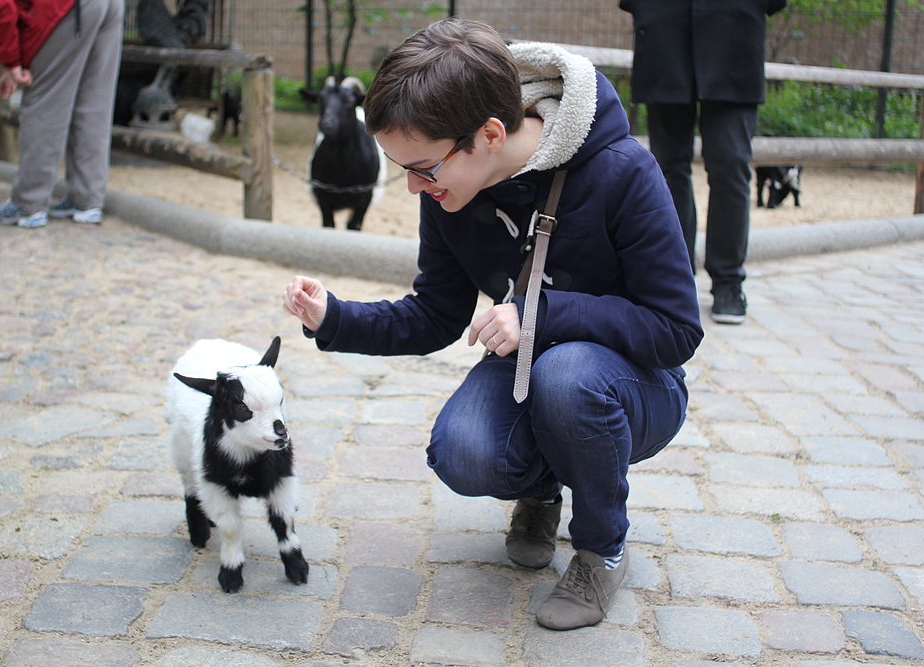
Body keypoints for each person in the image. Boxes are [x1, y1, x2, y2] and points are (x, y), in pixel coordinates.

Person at [282, 19, 702, 630]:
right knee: (462, 451)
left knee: (568, 376)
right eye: (402, 168)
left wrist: (543, 314)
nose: (412, 187)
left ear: (489, 134)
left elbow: (676, 329)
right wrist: (333, 317)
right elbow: (434, 315)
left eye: (423, 168)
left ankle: (601, 549)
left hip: (633, 385)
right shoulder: (451, 191)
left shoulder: (622, 171)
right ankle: (542, 489)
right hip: (532, 366)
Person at [620, 0, 787, 324]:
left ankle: (728, 282)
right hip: (664, 34)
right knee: (666, 171)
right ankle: (672, 281)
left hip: (734, 38)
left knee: (730, 166)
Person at [0, 0, 124, 227]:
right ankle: (87, 199)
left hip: (65, 7)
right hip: (108, 5)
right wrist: (12, 62)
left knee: (45, 103)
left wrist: (11, 60)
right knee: (94, 102)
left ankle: (28, 203)